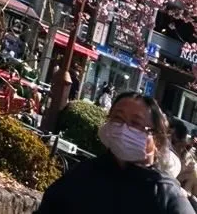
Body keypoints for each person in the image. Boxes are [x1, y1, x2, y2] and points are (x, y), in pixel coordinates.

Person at [39, 91, 191, 213]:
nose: (123, 128)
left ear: (156, 139)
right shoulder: (83, 174)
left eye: (135, 123)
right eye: (117, 118)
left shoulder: (166, 195)